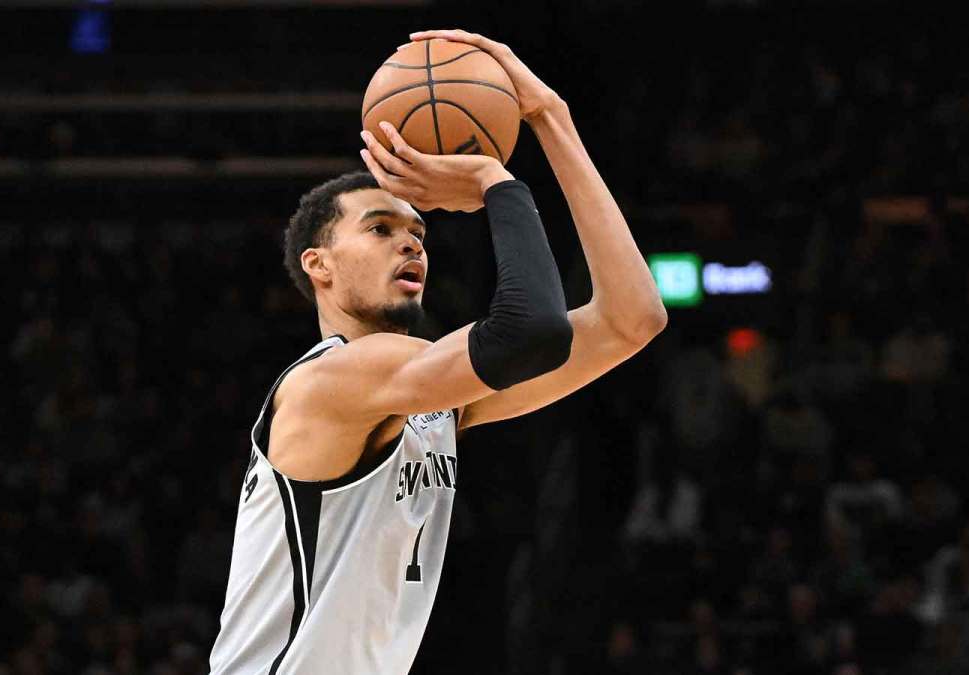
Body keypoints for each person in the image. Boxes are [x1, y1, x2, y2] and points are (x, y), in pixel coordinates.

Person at [208, 29, 667, 675]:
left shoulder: (427, 398)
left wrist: (551, 118)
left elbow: (632, 319)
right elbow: (528, 332)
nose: (411, 243)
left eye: (418, 231)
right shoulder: (331, 379)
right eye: (380, 228)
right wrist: (494, 179)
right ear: (319, 265)